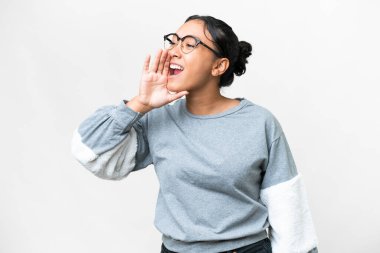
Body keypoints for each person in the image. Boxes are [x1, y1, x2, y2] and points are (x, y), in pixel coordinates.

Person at [71, 14, 319, 253]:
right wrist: (141, 103)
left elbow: (288, 207)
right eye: (173, 41)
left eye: (189, 44)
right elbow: (90, 153)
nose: (173, 51)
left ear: (219, 66)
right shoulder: (158, 118)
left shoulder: (260, 122)